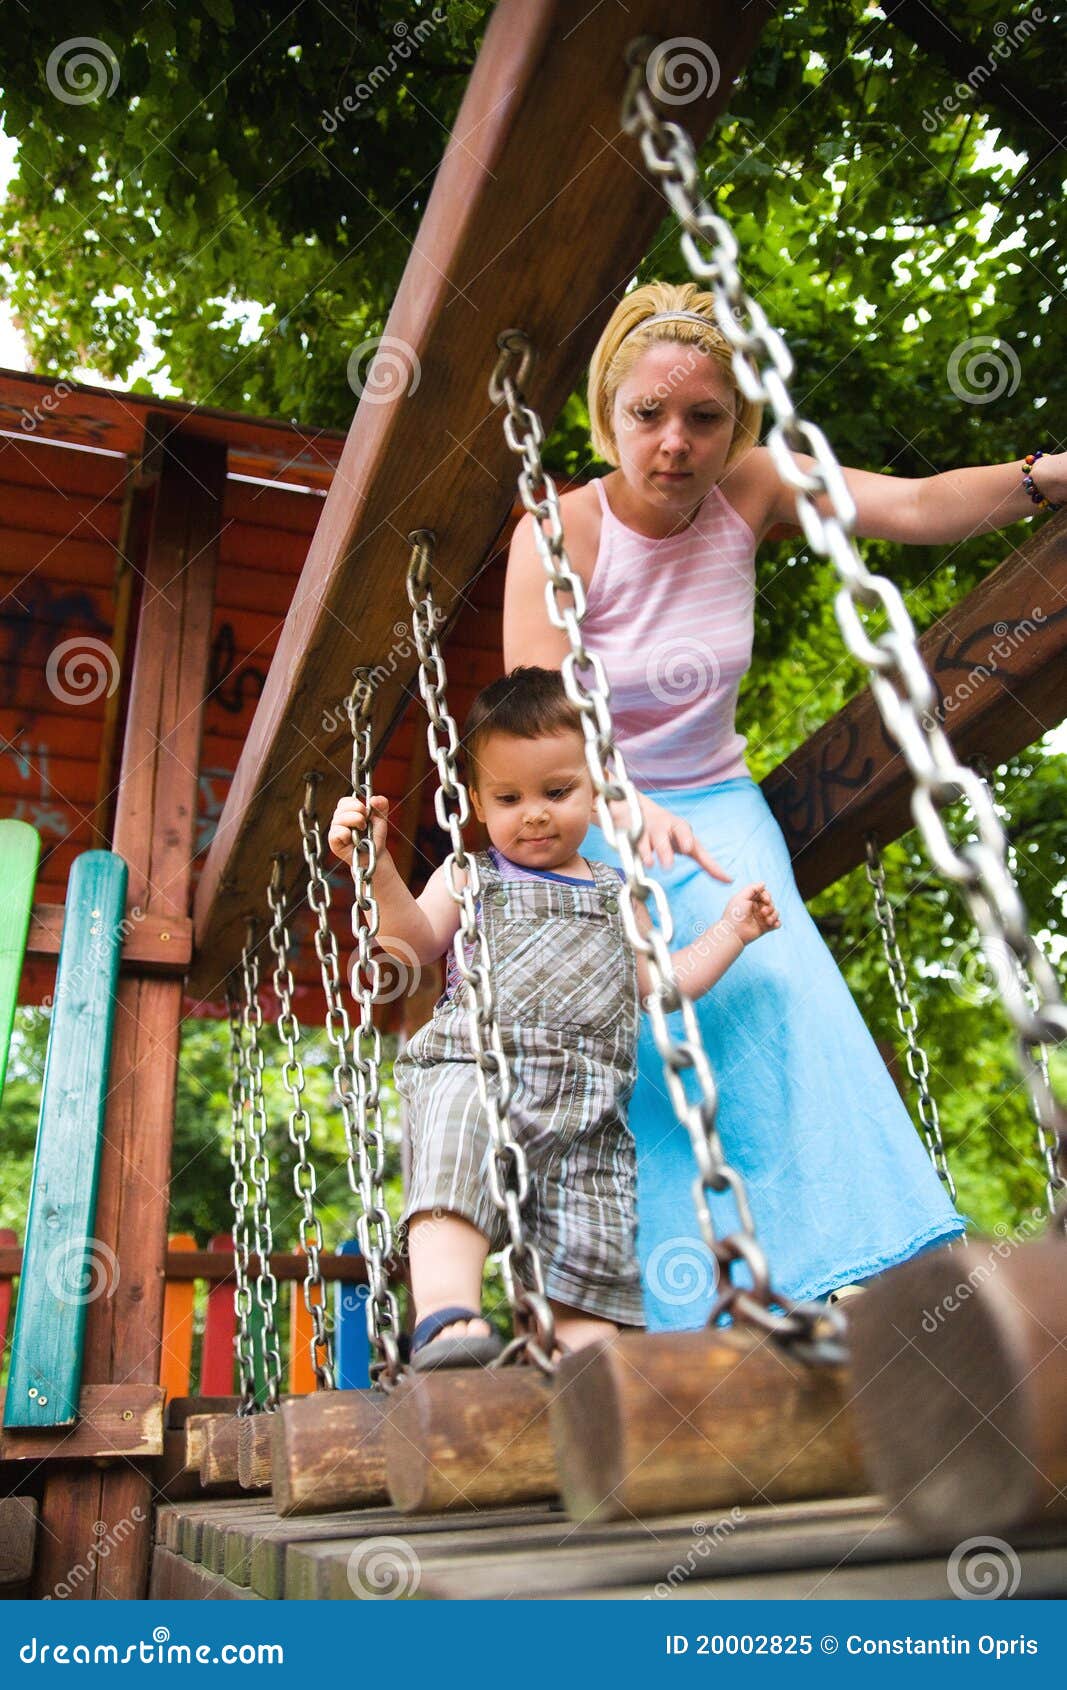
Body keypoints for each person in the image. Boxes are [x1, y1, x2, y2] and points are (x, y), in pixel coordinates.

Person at [503, 279, 1067, 1330]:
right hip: (597, 812)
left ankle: (862, 1278)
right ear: (606, 411)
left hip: (714, 800)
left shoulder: (751, 488)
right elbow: (539, 718)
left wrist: (1045, 476)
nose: (673, 443)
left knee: (780, 994)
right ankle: (680, 1315)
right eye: (647, 414)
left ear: (738, 424)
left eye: (702, 418)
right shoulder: (559, 527)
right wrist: (619, 810)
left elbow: (912, 505)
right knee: (644, 1033)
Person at [329, 667, 781, 1368]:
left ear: (594, 787)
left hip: (587, 1106)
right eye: (508, 798)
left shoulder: (613, 891)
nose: (533, 813)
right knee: (452, 1161)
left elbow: (663, 985)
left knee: (587, 1239)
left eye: (556, 792)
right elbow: (413, 944)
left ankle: (584, 1366)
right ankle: (447, 1319)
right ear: (476, 802)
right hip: (478, 1071)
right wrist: (375, 867)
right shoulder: (467, 876)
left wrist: (731, 931)